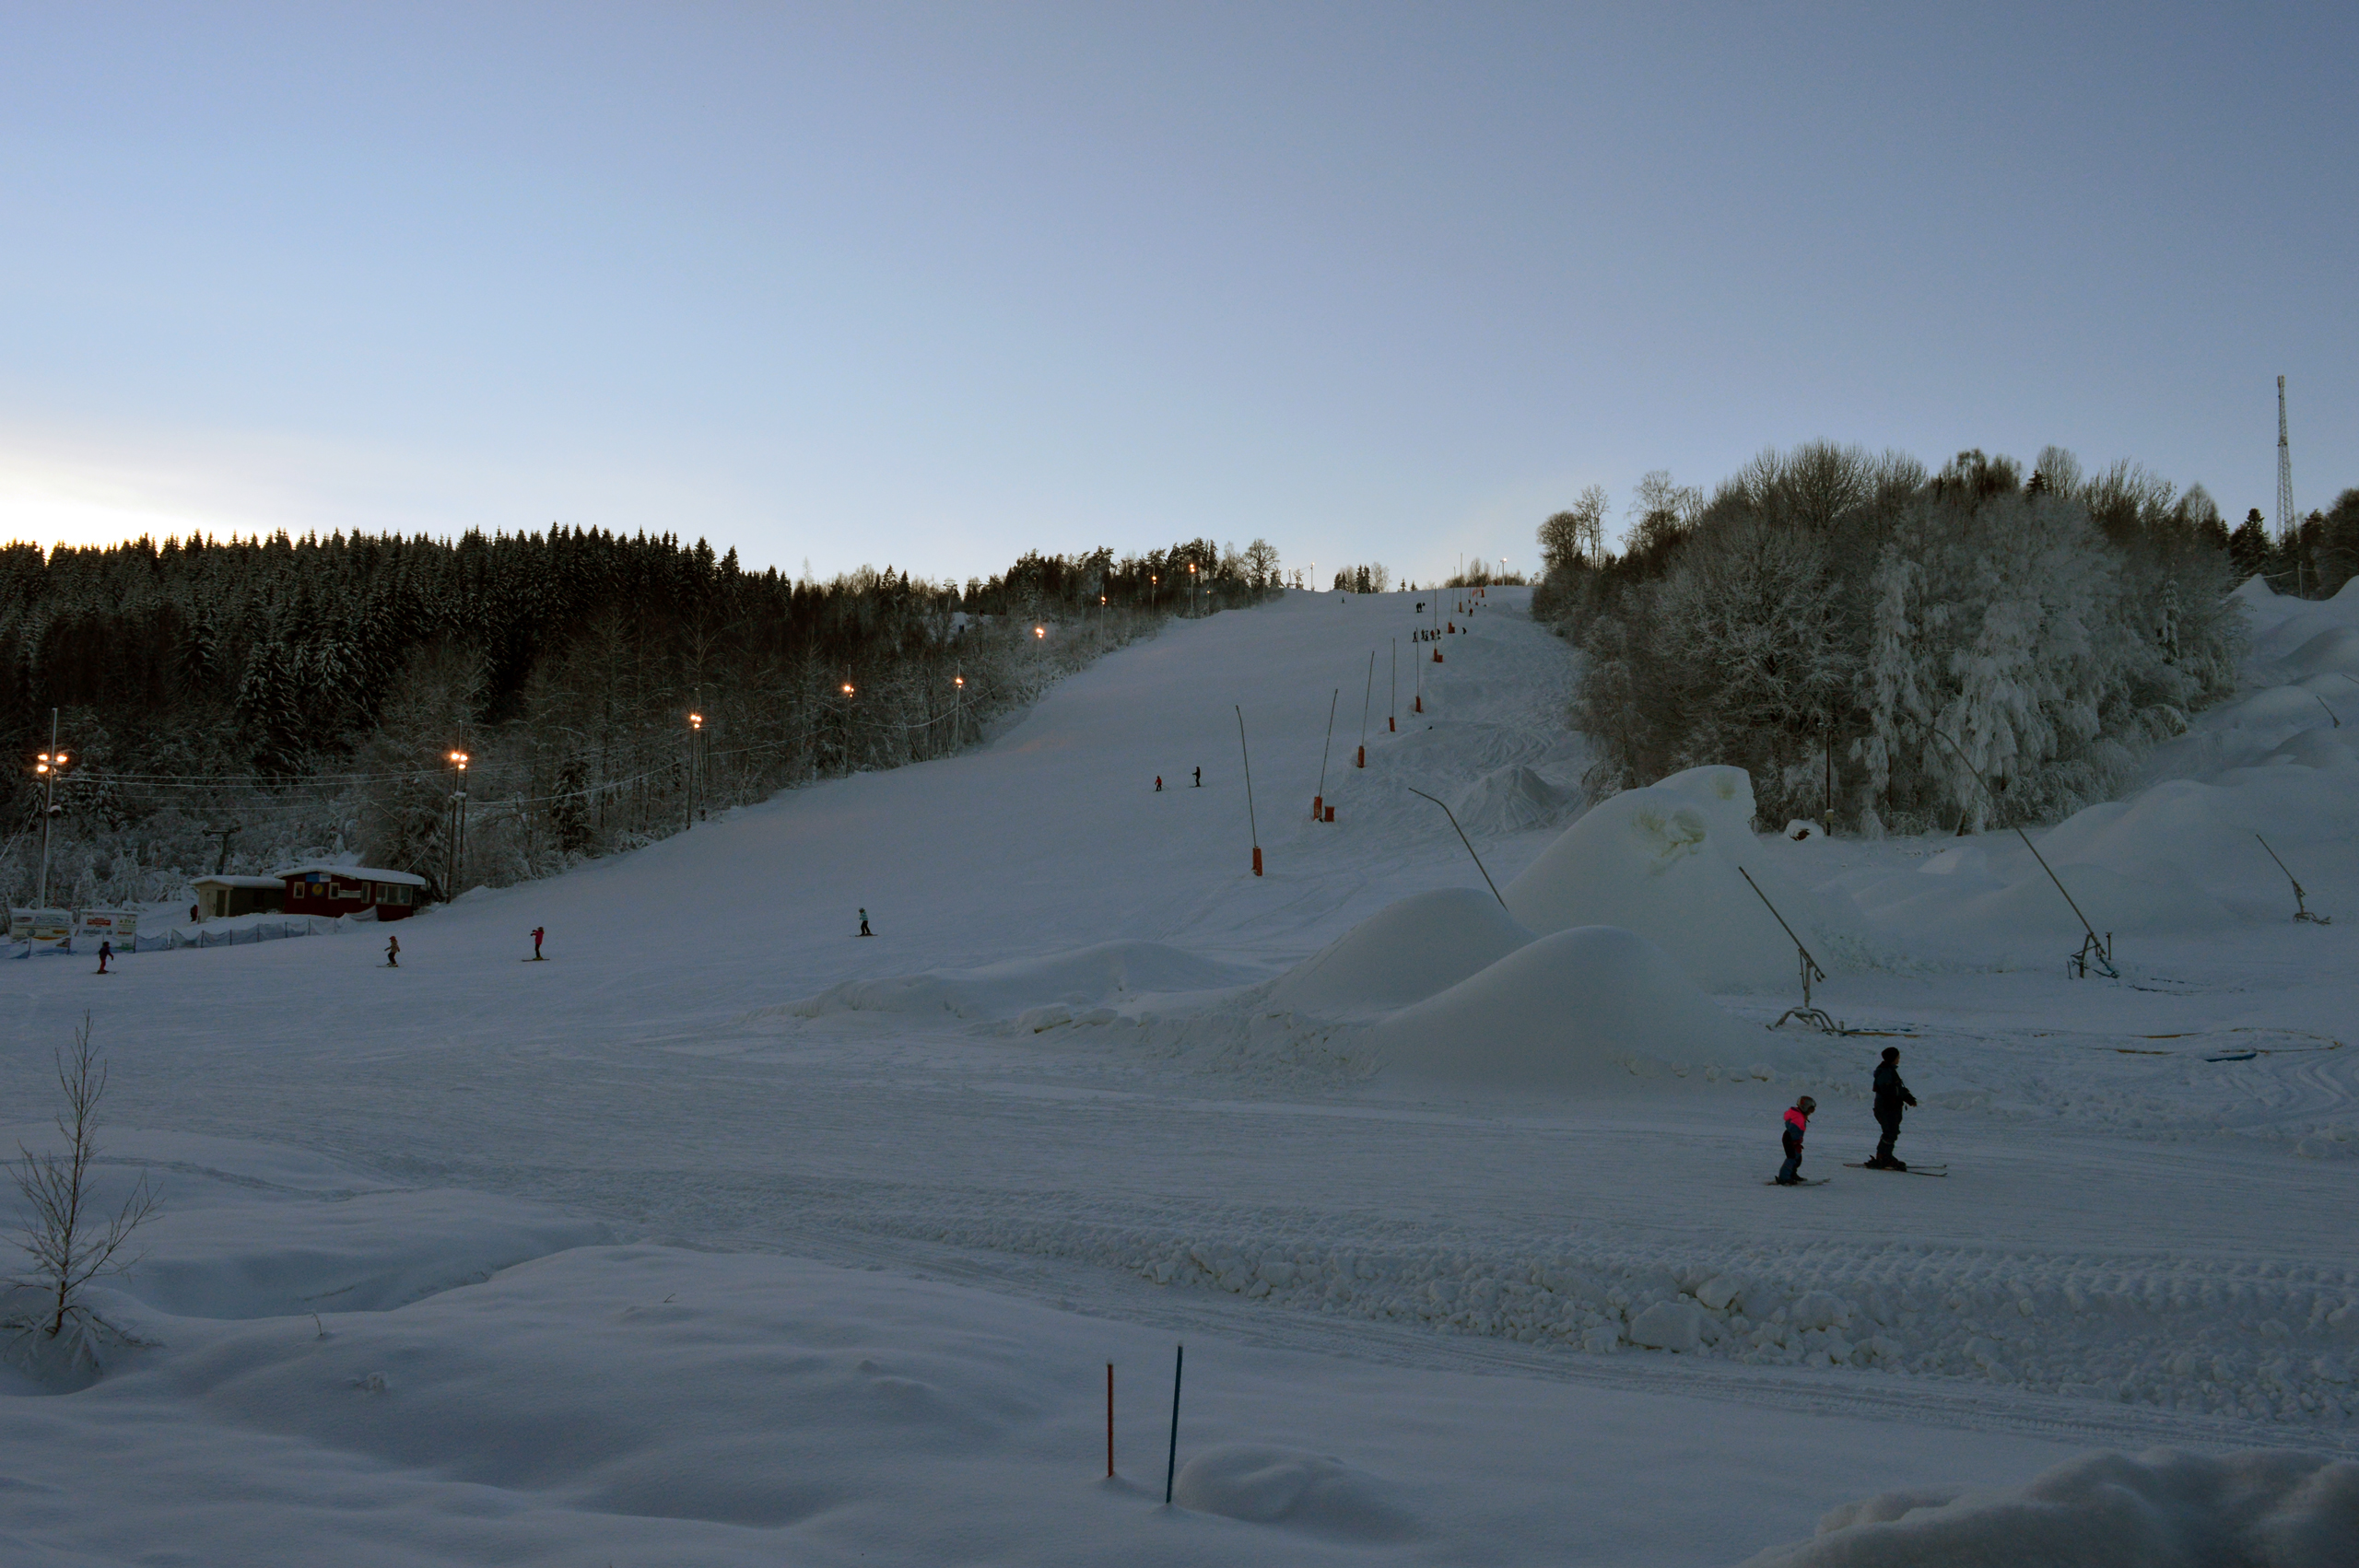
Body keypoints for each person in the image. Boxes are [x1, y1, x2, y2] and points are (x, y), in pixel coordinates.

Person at [1870, 1047, 1919, 1169]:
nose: (1899, 1059)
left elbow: (1896, 1089)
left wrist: (1907, 1096)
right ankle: (1883, 1157)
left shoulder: (1890, 1070)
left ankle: (1885, 1156)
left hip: (1891, 1107)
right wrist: (1902, 1094)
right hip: (1885, 1107)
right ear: (1892, 1058)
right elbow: (1887, 1089)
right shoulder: (1885, 1071)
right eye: (1897, 1057)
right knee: (1889, 1132)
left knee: (1891, 1132)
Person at [1776, 1095, 1816, 1185]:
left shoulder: (1800, 1115)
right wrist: (1796, 1143)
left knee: (1798, 1158)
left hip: (1793, 1139)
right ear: (1804, 1107)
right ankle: (1784, 1177)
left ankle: (1792, 1174)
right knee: (1792, 1158)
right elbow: (1793, 1130)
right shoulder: (1798, 1117)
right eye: (1810, 1110)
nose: (1811, 1113)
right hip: (1790, 1139)